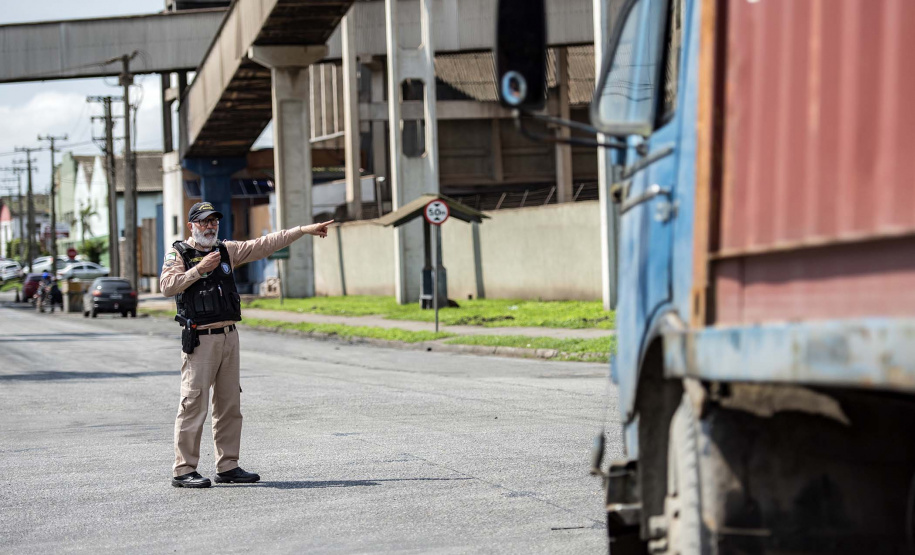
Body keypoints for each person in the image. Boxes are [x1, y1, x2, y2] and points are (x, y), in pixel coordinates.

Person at [160, 201, 333, 488]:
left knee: (229, 405)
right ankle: (183, 470)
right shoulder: (179, 253)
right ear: (192, 225)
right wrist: (200, 269)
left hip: (229, 336)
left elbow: (265, 244)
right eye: (203, 221)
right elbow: (167, 286)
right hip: (200, 339)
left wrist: (303, 230)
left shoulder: (227, 250)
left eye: (213, 221)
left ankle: (228, 466)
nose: (209, 226)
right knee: (193, 405)